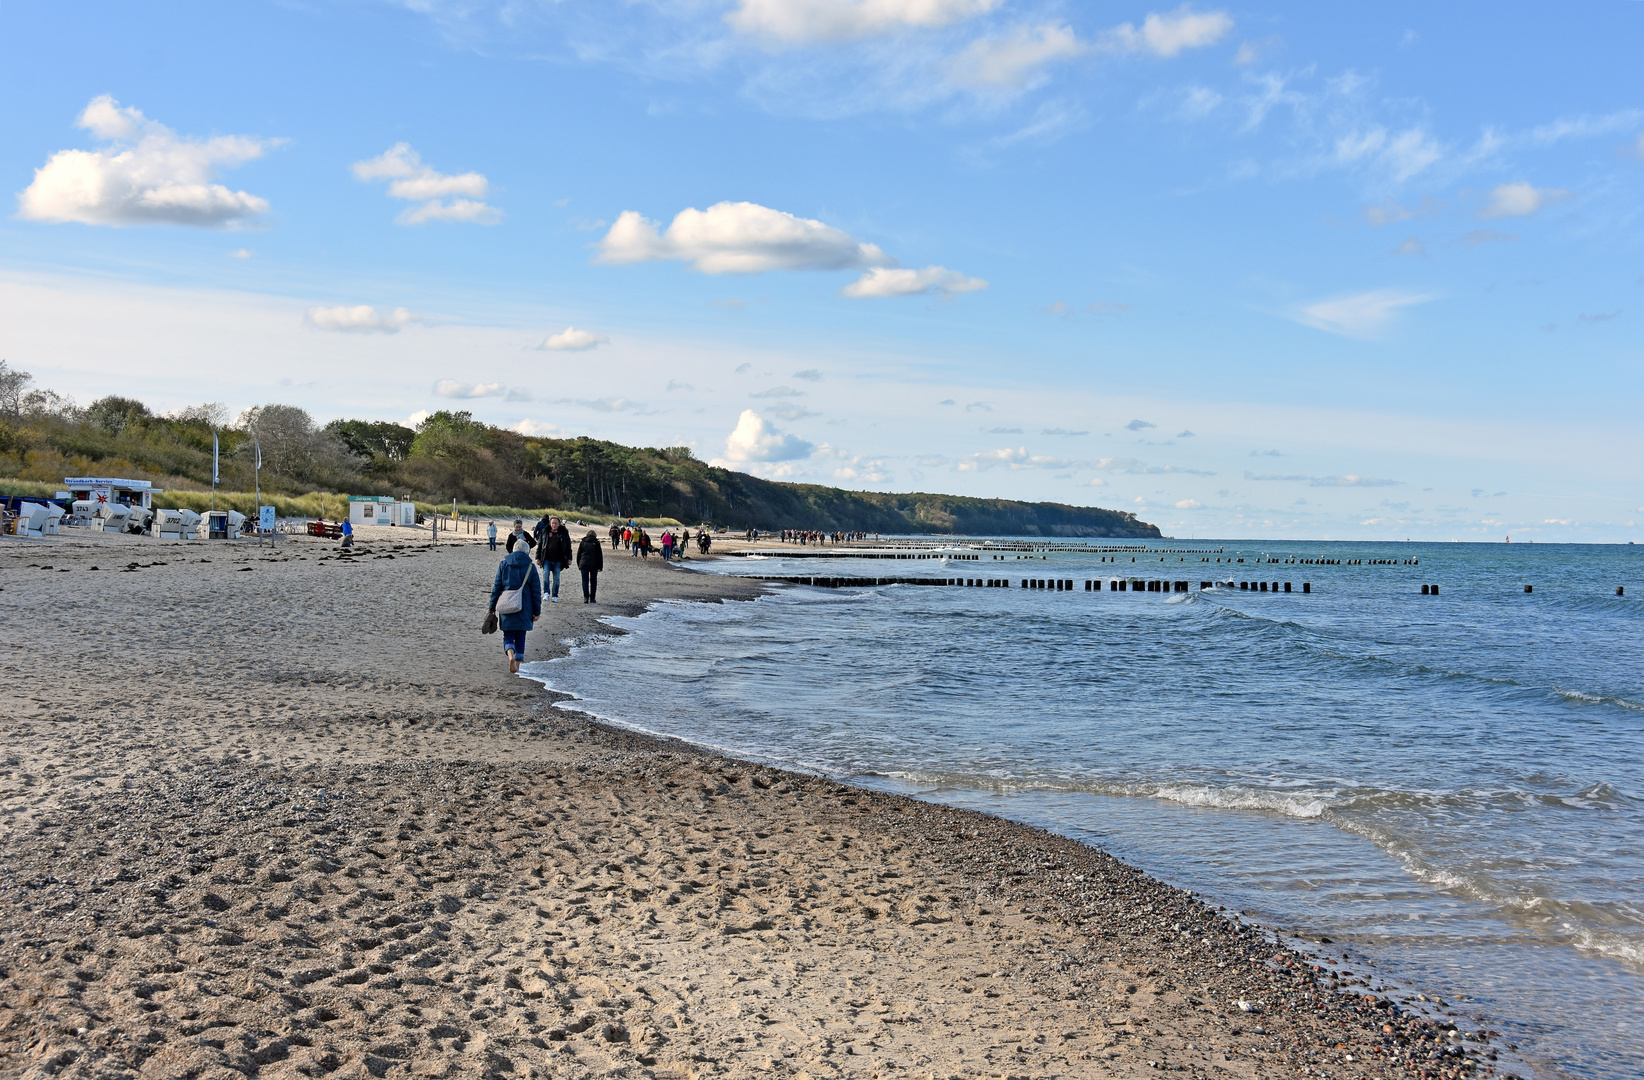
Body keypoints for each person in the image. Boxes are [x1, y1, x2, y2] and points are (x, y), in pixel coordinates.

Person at [489, 540, 542, 675]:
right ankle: (517, 664)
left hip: (506, 604)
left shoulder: (504, 564)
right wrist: (537, 611)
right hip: (525, 606)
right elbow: (536, 591)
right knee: (520, 635)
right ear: (527, 551)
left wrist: (492, 607)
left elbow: (497, 587)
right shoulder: (530, 567)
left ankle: (510, 655)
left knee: (508, 634)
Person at [537, 515, 572, 603]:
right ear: (550, 523)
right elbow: (540, 545)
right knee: (545, 575)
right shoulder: (545, 531)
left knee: (556, 578)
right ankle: (546, 593)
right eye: (552, 523)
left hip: (558, 559)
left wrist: (569, 558)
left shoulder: (563, 533)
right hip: (546, 558)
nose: (554, 525)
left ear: (559, 524)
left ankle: (555, 595)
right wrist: (538, 557)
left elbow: (568, 546)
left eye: (556, 523)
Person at [576, 528, 604, 603]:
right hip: (594, 564)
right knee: (593, 581)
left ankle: (586, 597)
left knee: (585, 581)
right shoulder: (596, 543)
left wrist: (579, 564)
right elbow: (599, 556)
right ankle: (592, 598)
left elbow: (579, 554)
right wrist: (600, 567)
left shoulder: (583, 542)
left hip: (583, 563)